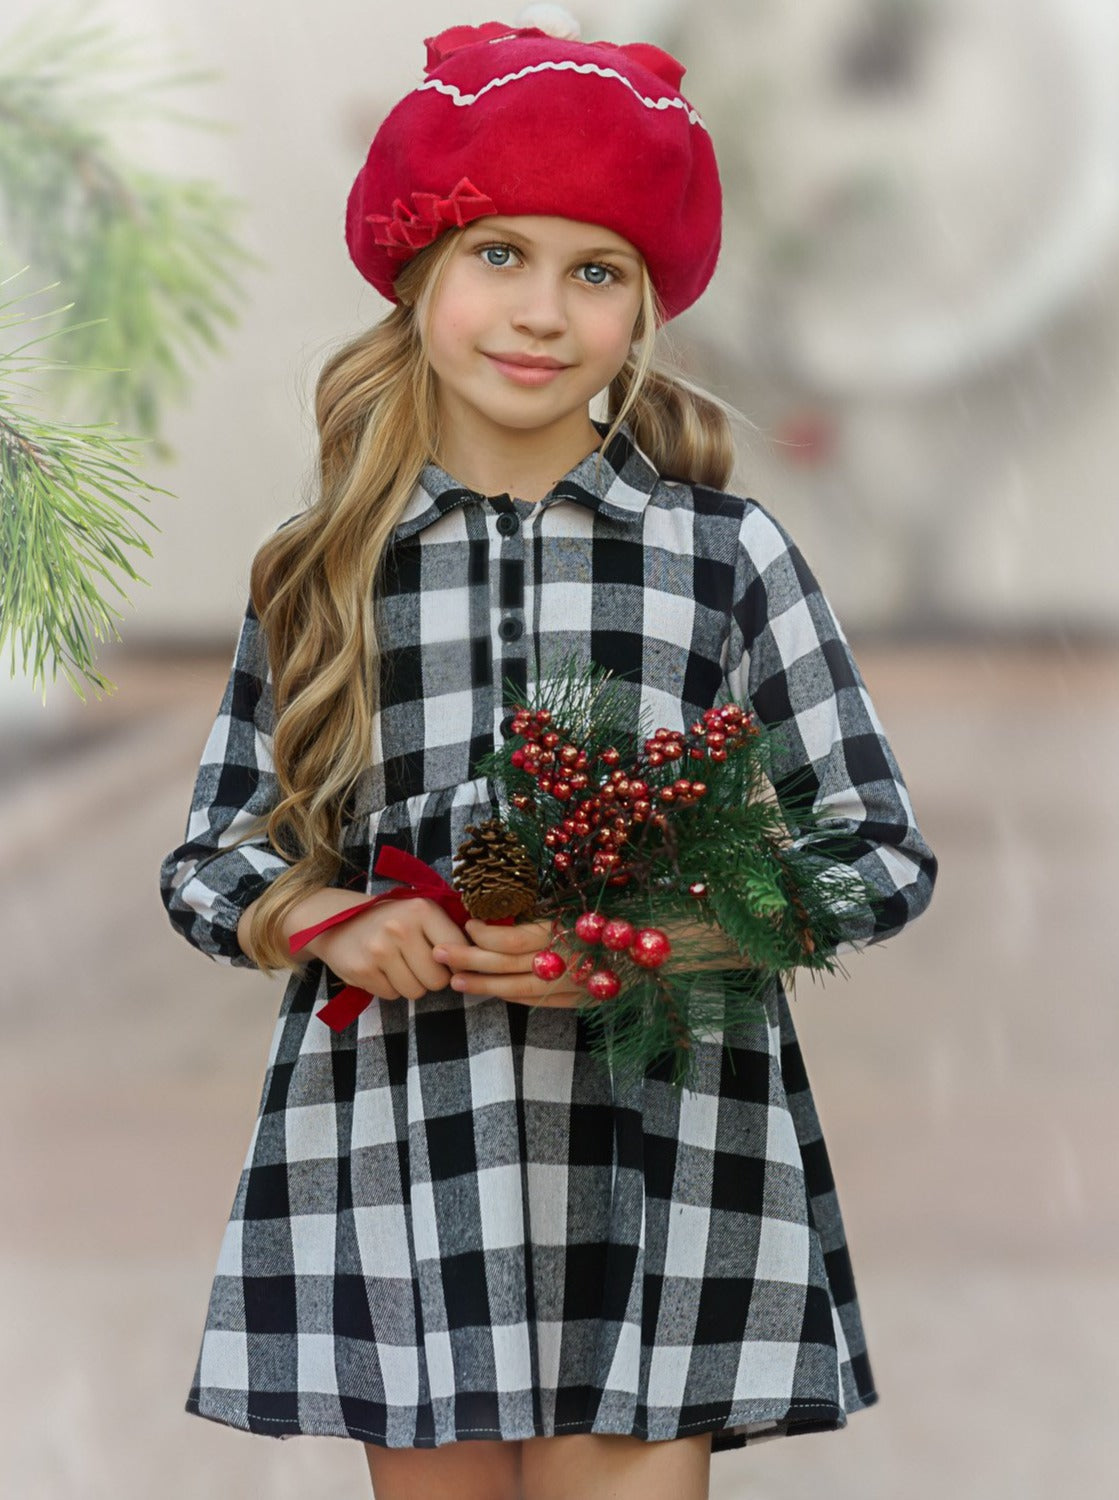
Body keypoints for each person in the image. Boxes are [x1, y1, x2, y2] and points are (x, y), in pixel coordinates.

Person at [158, 12, 938, 1500]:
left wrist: (683, 939)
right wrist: (338, 918)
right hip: (411, 1134)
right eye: (497, 254)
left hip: (661, 1145)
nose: (540, 310)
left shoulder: (725, 558)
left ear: (643, 311)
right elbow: (214, 860)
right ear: (418, 278)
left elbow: (877, 848)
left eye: (596, 272)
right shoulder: (325, 570)